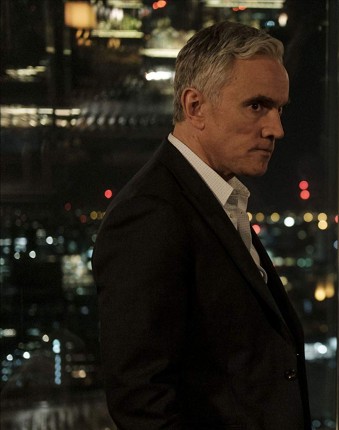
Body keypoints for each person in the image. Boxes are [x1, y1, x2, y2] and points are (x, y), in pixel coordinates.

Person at [92, 22, 311, 429]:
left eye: (279, 109)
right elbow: (141, 401)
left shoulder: (215, 197)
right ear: (195, 106)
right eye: (256, 106)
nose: (276, 129)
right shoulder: (150, 214)